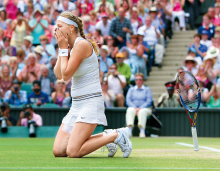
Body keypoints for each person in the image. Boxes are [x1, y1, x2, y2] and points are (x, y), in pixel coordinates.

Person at [52, 11, 132, 158]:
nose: (56, 30)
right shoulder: (69, 47)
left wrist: (64, 49)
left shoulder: (82, 44)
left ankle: (117, 135)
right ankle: (106, 137)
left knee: (73, 152)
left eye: (59, 26)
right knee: (58, 151)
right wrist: (62, 49)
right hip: (76, 105)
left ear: (71, 28)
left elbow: (66, 75)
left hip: (90, 103)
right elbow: (58, 75)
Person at [126, 73, 153, 138]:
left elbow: (149, 101)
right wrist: (135, 108)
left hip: (145, 108)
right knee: (130, 110)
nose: (138, 81)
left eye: (140, 79)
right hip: (133, 108)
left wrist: (140, 108)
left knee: (142, 111)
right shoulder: (131, 89)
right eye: (136, 79)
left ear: (143, 80)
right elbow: (128, 100)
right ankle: (129, 131)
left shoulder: (147, 89)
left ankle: (142, 131)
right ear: (135, 81)